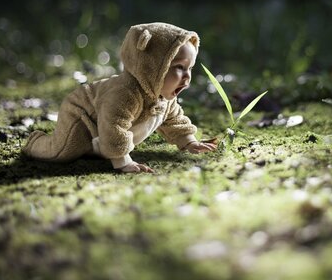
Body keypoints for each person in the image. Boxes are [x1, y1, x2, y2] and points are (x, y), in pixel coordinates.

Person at [22, 22, 217, 173]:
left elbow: (175, 120)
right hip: (81, 115)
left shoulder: (163, 97)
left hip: (103, 131)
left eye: (190, 68)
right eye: (179, 67)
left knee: (91, 152)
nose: (187, 76)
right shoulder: (126, 93)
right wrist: (123, 161)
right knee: (63, 151)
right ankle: (34, 143)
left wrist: (189, 141)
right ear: (152, 67)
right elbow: (112, 124)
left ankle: (99, 148)